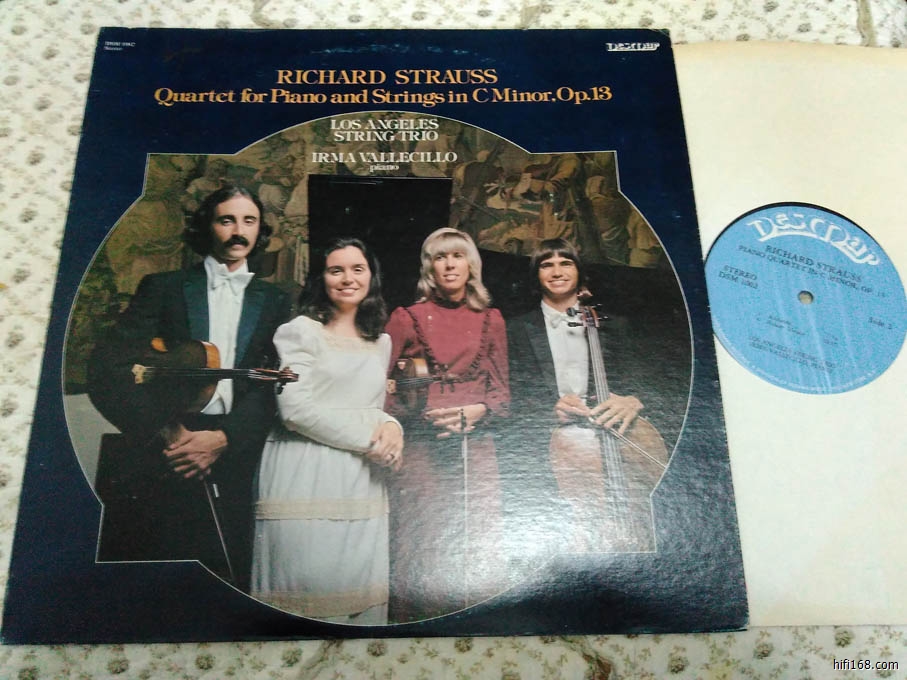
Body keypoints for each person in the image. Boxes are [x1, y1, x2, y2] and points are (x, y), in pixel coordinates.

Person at [88, 184, 291, 592]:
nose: (238, 231)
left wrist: (224, 438)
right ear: (207, 226)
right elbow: (106, 368)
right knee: (158, 579)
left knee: (230, 578)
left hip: (238, 449)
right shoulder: (163, 286)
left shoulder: (275, 300)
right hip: (170, 448)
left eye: (249, 221)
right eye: (226, 220)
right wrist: (170, 433)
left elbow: (274, 385)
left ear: (260, 230)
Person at [251, 238, 402, 625]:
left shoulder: (380, 341)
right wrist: (371, 440)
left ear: (371, 277)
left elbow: (372, 406)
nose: (348, 278)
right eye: (336, 270)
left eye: (357, 269)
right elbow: (295, 410)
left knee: (358, 593)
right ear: (321, 278)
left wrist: (392, 426)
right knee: (308, 587)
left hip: (361, 477)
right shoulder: (301, 331)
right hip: (305, 469)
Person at [505, 238, 667, 555]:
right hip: (548, 444)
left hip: (610, 428)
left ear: (579, 271)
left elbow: (649, 382)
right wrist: (549, 409)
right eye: (547, 265)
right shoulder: (516, 329)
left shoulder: (613, 325)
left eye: (566, 263)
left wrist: (633, 400)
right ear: (536, 275)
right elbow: (512, 395)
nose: (557, 272)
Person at [384, 227, 510, 622]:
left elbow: (502, 394)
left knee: (478, 539)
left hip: (476, 448)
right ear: (429, 267)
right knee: (421, 541)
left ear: (471, 265)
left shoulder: (492, 319)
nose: (450, 264)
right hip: (423, 450)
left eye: (457, 256)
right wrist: (418, 414)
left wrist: (478, 411)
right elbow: (381, 390)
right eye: (440, 257)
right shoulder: (406, 318)